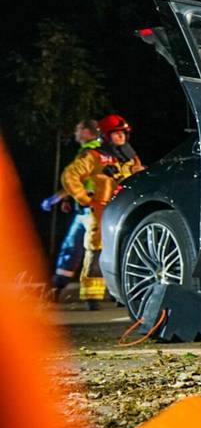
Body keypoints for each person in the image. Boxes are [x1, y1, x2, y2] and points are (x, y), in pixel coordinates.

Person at [59, 114, 143, 308]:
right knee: (96, 251)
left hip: (124, 210)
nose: (121, 137)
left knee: (125, 251)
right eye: (116, 133)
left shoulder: (131, 156)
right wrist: (85, 199)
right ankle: (92, 297)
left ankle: (121, 294)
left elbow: (137, 176)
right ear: (106, 135)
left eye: (123, 133)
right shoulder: (93, 156)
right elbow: (70, 176)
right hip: (101, 211)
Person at [42, 120, 101, 298]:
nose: (75, 133)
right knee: (90, 249)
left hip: (90, 207)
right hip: (89, 207)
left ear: (86, 131)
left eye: (77, 129)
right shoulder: (101, 149)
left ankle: (58, 288)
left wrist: (54, 199)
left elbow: (75, 180)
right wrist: (68, 198)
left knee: (75, 248)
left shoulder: (90, 152)